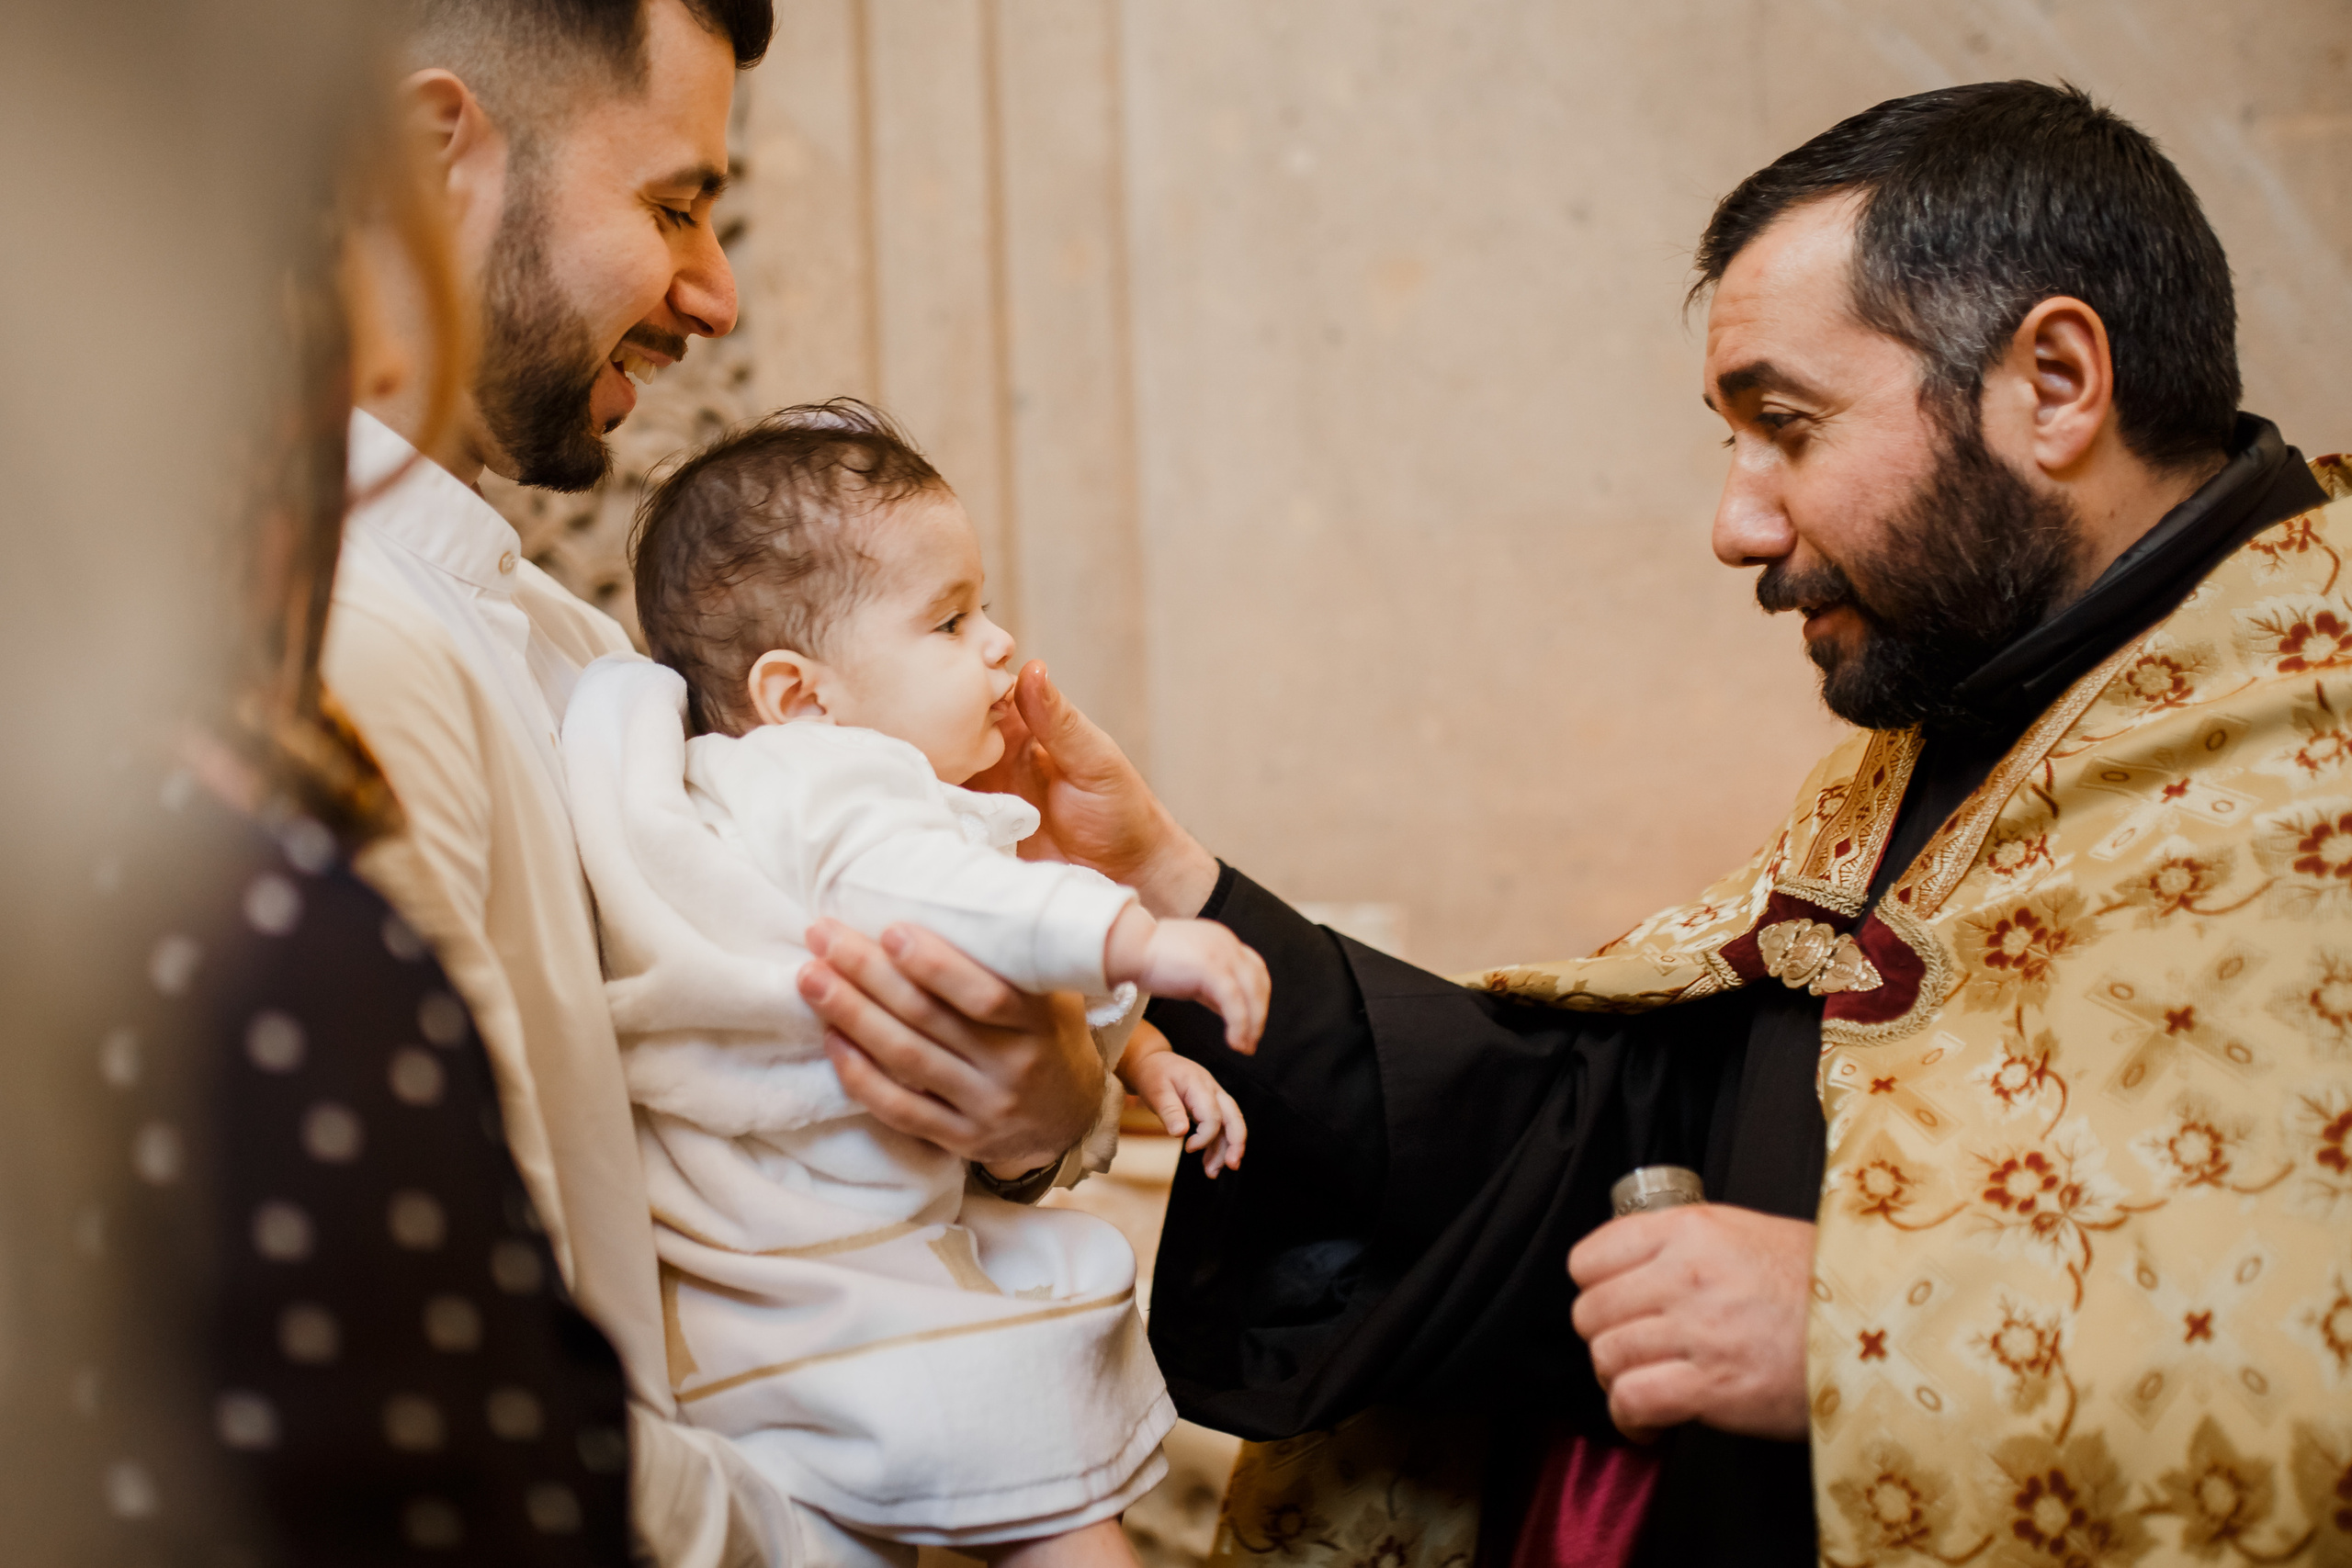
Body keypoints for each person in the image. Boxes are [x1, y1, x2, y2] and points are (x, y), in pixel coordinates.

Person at [807, 82, 2352, 1566]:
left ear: (2057, 384)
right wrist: (1171, 887)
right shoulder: (1972, 712)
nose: (1736, 521)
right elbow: (1602, 1137)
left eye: (1788, 426)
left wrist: (1865, 1334)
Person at [324, 5, 1125, 1563]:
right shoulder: (346, 641)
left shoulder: (565, 648)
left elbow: (764, 1073)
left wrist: (1047, 1106)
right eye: (674, 204)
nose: (716, 288)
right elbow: (442, 1353)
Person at [560, 400, 1265, 1564]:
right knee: (1064, 1508)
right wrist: (1145, 939)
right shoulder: (833, 788)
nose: (998, 644)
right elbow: (963, 908)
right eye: (947, 620)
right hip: (857, 1289)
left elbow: (982, 952)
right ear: (800, 697)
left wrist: (1142, 1053)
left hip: (795, 1314)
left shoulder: (795, 797)